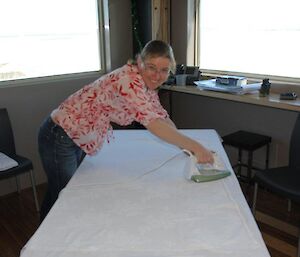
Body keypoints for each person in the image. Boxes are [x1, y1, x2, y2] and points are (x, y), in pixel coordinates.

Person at [38, 40, 214, 221]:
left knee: (63, 191)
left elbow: (161, 117)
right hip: (59, 135)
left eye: (163, 70)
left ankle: (47, 229)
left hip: (76, 136)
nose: (157, 75)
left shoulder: (146, 84)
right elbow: (153, 124)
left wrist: (187, 148)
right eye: (152, 67)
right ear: (140, 63)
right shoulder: (128, 80)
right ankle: (43, 240)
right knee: (65, 196)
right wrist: (197, 147)